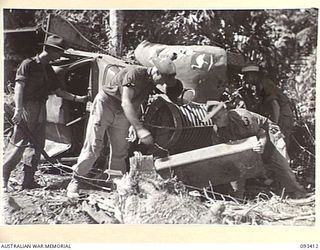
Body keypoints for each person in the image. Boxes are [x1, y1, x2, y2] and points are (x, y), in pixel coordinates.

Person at [66, 57, 180, 198]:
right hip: (106, 105)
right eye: (162, 80)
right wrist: (139, 129)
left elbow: (136, 103)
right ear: (155, 71)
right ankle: (76, 180)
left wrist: (134, 124)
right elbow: (126, 101)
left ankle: (116, 184)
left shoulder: (150, 83)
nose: (162, 84)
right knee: (93, 147)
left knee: (120, 151)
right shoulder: (135, 73)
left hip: (122, 114)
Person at [3, 35, 88, 192]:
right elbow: (19, 87)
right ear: (49, 50)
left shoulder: (48, 68)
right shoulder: (27, 64)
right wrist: (19, 109)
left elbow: (58, 91)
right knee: (18, 144)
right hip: (27, 108)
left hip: (42, 107)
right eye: (58, 53)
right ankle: (3, 179)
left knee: (37, 145)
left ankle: (28, 181)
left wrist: (79, 99)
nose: (60, 56)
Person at [203, 101, 307, 199]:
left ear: (225, 111)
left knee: (278, 160)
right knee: (237, 164)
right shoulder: (217, 130)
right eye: (213, 119)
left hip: (267, 130)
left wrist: (261, 144)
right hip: (248, 140)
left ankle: (298, 191)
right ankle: (238, 197)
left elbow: (261, 133)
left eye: (217, 117)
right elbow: (220, 150)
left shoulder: (242, 118)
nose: (215, 121)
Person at [241, 63, 295, 147]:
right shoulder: (258, 86)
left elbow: (275, 105)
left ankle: (286, 160)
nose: (244, 78)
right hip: (281, 115)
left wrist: (275, 124)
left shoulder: (265, 83)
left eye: (246, 76)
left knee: (281, 142)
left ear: (252, 75)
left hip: (283, 115)